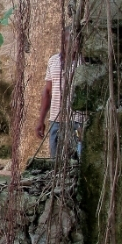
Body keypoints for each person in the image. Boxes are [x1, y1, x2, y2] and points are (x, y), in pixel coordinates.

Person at [35, 29, 85, 158]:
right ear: (64, 42)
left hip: (77, 120)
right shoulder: (53, 61)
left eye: (77, 40)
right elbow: (47, 91)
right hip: (56, 120)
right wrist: (41, 120)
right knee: (55, 159)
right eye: (71, 40)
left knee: (76, 161)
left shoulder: (83, 62)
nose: (75, 44)